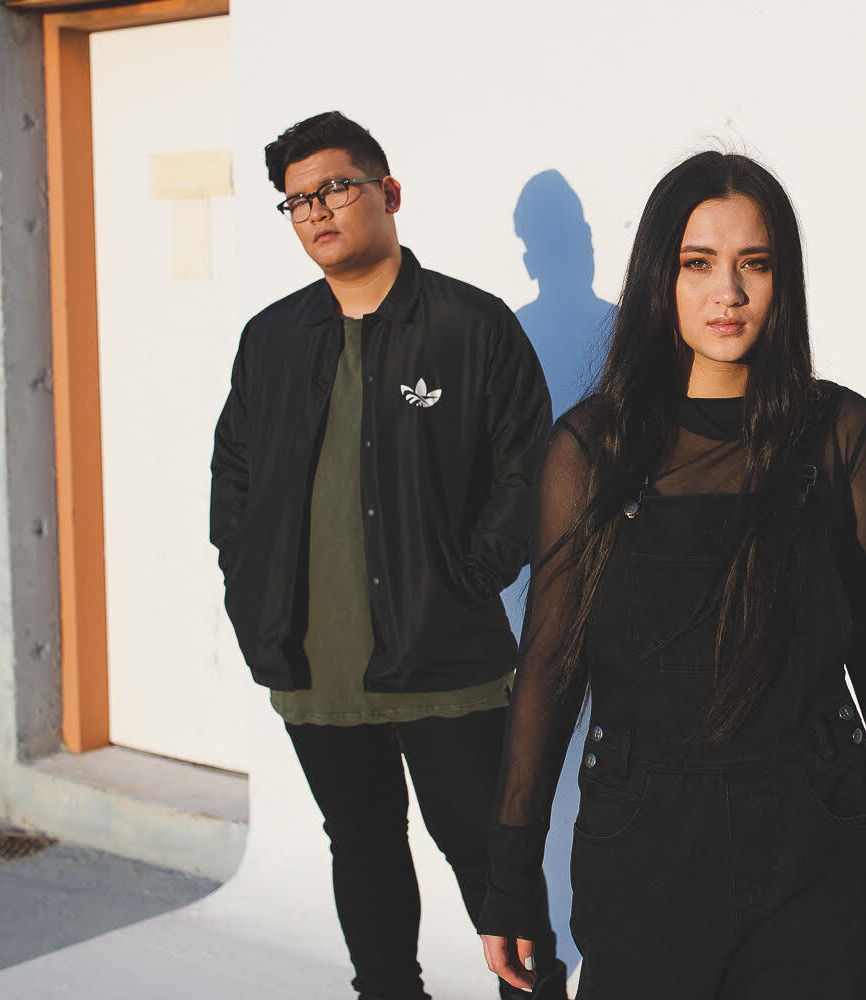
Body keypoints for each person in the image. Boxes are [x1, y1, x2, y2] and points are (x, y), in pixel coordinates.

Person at [477, 151, 866, 999]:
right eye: (698, 263)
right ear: (660, 277)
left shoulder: (840, 431)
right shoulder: (591, 448)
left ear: (783, 279)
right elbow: (549, 665)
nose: (727, 292)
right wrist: (510, 871)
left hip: (815, 836)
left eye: (753, 264)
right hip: (643, 842)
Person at [209, 111, 567, 1000]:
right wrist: (250, 586)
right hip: (311, 662)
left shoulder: (470, 326)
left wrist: (464, 580)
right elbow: (234, 476)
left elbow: (530, 470)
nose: (317, 211)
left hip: (443, 659)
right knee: (361, 844)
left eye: (335, 188)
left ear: (388, 192)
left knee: (488, 855)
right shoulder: (271, 338)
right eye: (297, 200)